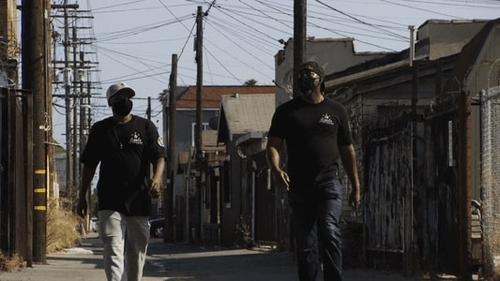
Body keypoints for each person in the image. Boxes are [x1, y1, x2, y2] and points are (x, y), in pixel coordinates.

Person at [266, 62, 361, 281]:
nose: (304, 79)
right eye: (300, 76)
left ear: (321, 79)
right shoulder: (286, 112)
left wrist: (355, 186)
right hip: (299, 186)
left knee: (329, 231)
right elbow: (273, 145)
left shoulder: (336, 111)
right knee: (306, 245)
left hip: (329, 183)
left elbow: (348, 150)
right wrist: (276, 169)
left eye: (309, 74)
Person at [77, 82, 165, 281]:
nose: (124, 101)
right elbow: (89, 165)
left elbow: (159, 156)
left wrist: (157, 179)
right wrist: (82, 196)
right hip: (110, 201)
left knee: (136, 253)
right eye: (119, 98)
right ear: (111, 103)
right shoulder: (100, 130)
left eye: (127, 97)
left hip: (138, 202)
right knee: (113, 248)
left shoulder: (146, 127)